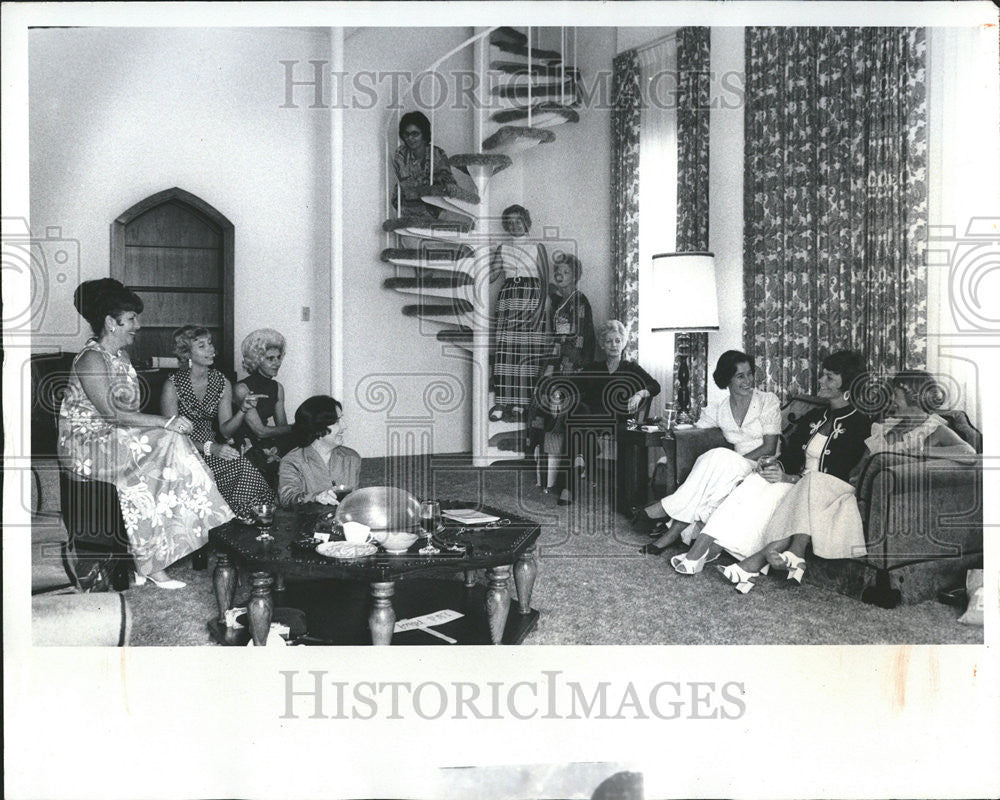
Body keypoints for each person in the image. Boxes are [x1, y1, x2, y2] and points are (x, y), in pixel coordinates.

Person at [725, 368, 977, 592]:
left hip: (874, 493)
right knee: (810, 481)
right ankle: (793, 554)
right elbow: (860, 464)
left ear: (911, 393)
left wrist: (918, 452)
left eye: (896, 394)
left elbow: (968, 453)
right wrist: (850, 479)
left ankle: (763, 559)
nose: (891, 400)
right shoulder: (886, 426)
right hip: (855, 485)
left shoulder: (935, 427)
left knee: (810, 484)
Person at [58, 279, 234, 589]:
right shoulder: (90, 359)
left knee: (171, 445)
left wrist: (166, 427)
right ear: (111, 323)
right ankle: (158, 560)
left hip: (115, 438)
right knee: (167, 441)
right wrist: (166, 422)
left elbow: (128, 418)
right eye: (131, 319)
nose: (138, 325)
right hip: (85, 447)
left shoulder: (122, 359)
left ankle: (155, 558)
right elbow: (111, 413)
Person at [672, 350, 872, 588]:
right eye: (823, 375)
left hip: (819, 489)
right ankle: (700, 548)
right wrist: (775, 466)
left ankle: (746, 561)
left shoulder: (860, 423)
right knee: (753, 482)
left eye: (829, 377)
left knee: (771, 492)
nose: (821, 381)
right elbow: (790, 455)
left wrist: (789, 477)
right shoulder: (816, 415)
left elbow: (839, 472)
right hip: (794, 479)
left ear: (847, 383)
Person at [636, 351, 781, 572]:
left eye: (749, 374)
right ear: (727, 380)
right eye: (740, 376)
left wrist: (732, 460)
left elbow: (770, 447)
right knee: (717, 462)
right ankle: (673, 530)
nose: (748, 381)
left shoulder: (767, 401)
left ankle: (668, 514)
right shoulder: (719, 408)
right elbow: (695, 429)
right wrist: (672, 424)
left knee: (719, 457)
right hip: (729, 469)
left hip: (761, 465)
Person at [161, 326, 276, 522]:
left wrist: (243, 409)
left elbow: (225, 428)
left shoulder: (221, 381)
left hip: (213, 447)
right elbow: (172, 434)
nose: (211, 349)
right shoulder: (172, 385)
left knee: (243, 467)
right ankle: (233, 523)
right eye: (202, 345)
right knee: (229, 471)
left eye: (210, 343)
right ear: (187, 353)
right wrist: (210, 448)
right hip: (181, 450)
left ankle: (248, 524)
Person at [556, 319, 661, 505]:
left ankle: (570, 481)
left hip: (617, 419)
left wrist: (639, 393)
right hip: (590, 417)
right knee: (576, 422)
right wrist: (558, 392)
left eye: (618, 341)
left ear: (624, 343)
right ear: (602, 345)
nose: (614, 345)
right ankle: (570, 483)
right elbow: (570, 383)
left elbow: (655, 385)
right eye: (609, 341)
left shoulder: (631, 368)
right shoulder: (594, 368)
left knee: (575, 425)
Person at [525, 251, 595, 492]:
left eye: (566, 272)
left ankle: (571, 465)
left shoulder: (580, 300)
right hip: (555, 356)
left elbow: (582, 337)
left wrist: (567, 363)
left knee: (559, 401)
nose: (560, 275)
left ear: (575, 276)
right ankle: (541, 462)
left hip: (572, 362)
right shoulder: (556, 300)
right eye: (558, 271)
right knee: (539, 397)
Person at [489, 204, 551, 423]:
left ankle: (521, 403)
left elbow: (544, 281)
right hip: (509, 298)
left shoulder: (537, 247)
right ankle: (503, 401)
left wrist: (540, 310)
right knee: (506, 350)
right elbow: (492, 276)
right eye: (510, 222)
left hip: (531, 298)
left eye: (519, 221)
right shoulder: (502, 249)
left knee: (527, 351)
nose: (515, 225)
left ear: (527, 222)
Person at [233, 328, 294, 486]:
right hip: (244, 443)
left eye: (279, 357)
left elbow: (282, 427)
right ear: (257, 360)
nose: (277, 362)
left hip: (267, 440)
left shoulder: (277, 387)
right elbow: (259, 430)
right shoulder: (242, 388)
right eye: (270, 358)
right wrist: (300, 427)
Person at [278, 395, 362, 506]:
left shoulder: (352, 458)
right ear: (317, 427)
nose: (344, 426)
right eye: (337, 421)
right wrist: (316, 497)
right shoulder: (292, 461)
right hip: (308, 522)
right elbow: (287, 498)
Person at [392, 110, 458, 219]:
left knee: (437, 226)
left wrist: (449, 183)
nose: (410, 138)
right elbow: (404, 184)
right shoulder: (401, 154)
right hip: (407, 207)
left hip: (434, 208)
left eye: (415, 134)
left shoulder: (437, 153)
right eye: (407, 134)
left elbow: (446, 176)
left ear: (424, 134)